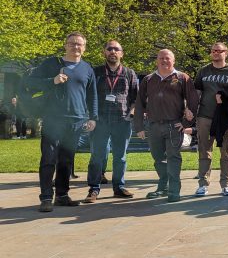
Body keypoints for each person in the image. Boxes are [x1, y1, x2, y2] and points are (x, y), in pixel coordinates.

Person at [27, 32, 98, 212]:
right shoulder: (51, 64)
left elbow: (92, 96)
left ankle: (62, 196)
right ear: (65, 45)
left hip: (76, 120)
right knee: (49, 158)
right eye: (72, 43)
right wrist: (53, 80)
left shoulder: (87, 69)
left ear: (84, 48)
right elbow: (31, 82)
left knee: (66, 161)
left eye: (79, 44)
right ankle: (45, 198)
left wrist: (93, 117)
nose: (76, 47)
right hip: (53, 119)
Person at [134, 49, 199, 202]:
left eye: (167, 58)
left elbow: (194, 101)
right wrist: (139, 126)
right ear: (157, 60)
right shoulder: (148, 79)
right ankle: (163, 187)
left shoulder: (182, 78)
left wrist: (186, 123)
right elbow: (139, 103)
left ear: (173, 61)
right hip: (153, 126)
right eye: (161, 58)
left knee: (173, 158)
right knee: (158, 159)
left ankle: (174, 191)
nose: (164, 61)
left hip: (173, 127)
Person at [83, 40, 139, 203]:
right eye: (109, 49)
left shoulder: (129, 73)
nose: (113, 52)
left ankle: (119, 188)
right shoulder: (96, 73)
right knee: (97, 156)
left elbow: (136, 98)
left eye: (116, 49)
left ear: (121, 53)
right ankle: (93, 189)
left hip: (122, 121)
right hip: (99, 121)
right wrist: (90, 117)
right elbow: (88, 96)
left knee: (120, 157)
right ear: (104, 52)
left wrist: (132, 112)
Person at [194, 42, 228, 197]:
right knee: (204, 152)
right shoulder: (203, 71)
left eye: (219, 51)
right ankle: (203, 184)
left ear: (225, 53)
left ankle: (225, 184)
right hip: (205, 117)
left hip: (225, 119)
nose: (215, 53)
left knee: (226, 153)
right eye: (213, 50)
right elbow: (196, 93)